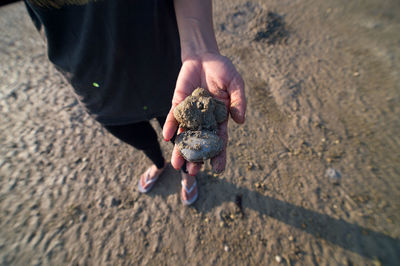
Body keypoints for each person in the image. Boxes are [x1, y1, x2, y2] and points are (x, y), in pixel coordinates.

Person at [24, 0, 246, 205]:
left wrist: (201, 49)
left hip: (165, 69)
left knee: (175, 138)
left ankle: (187, 176)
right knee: (141, 139)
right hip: (96, 86)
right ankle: (159, 164)